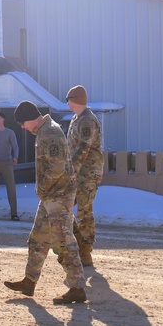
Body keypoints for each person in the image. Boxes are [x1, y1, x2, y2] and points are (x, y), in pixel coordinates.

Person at [4, 100, 87, 305]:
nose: (23, 128)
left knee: (63, 241)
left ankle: (77, 287)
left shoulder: (49, 132)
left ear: (29, 119)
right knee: (38, 238)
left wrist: (41, 187)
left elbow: (57, 166)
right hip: (51, 194)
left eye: (22, 124)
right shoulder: (43, 131)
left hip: (58, 194)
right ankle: (29, 281)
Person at [66, 85, 104, 267]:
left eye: (69, 100)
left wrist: (70, 169)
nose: (68, 104)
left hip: (87, 173)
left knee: (84, 212)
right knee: (63, 207)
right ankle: (78, 242)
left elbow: (83, 147)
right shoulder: (76, 119)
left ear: (75, 100)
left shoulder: (88, 120)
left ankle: (85, 251)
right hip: (75, 172)